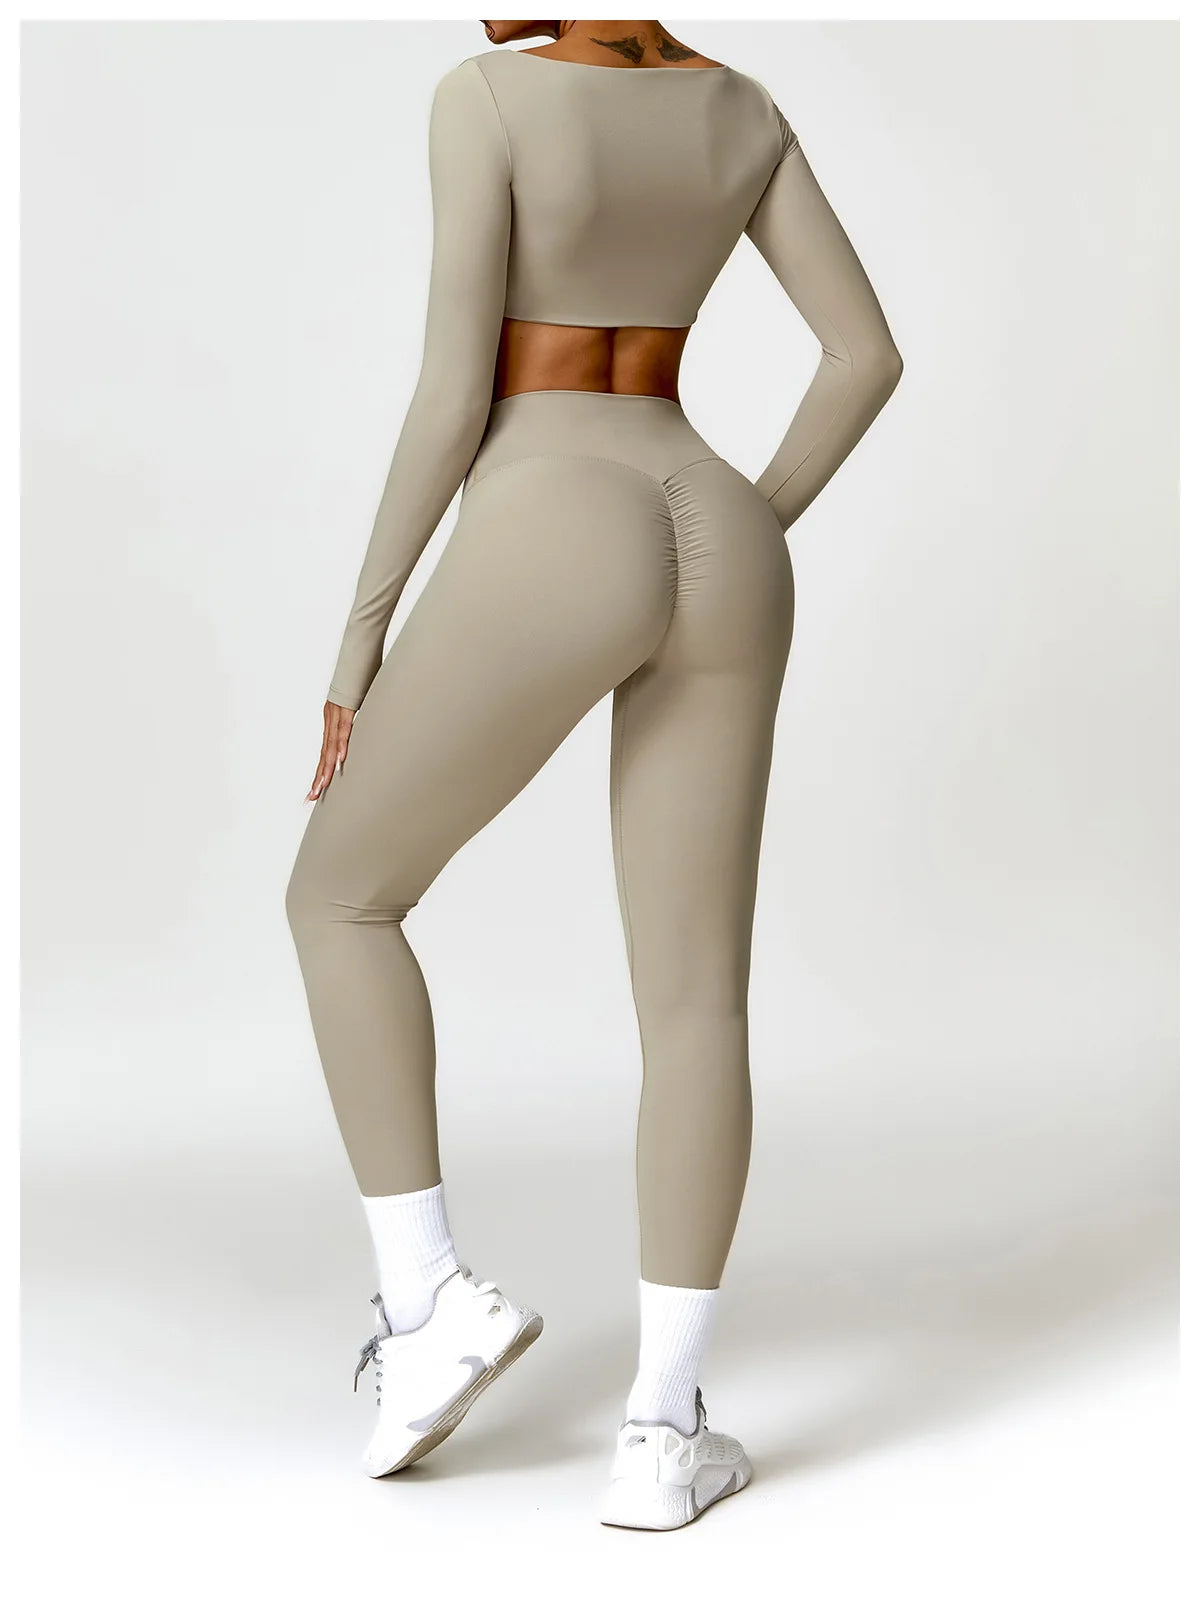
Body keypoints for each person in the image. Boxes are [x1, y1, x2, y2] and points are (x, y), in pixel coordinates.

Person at [285, 18, 902, 1529]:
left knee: (339, 900)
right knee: (697, 1003)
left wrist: (358, 644)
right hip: (712, 504)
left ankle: (430, 1305)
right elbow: (865, 358)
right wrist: (747, 524)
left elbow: (454, 395)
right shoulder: (743, 107)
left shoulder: (486, 97)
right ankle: (662, 1434)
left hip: (552, 503)